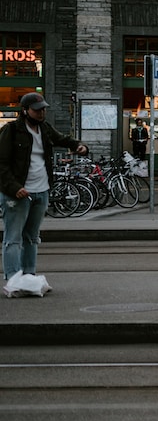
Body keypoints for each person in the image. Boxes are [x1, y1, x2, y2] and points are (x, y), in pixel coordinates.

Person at [1, 93, 88, 293]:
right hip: (18, 193)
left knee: (32, 237)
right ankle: (14, 279)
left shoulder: (44, 129)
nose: (42, 113)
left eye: (43, 109)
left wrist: (79, 146)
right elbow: (2, 164)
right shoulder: (12, 131)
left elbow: (63, 139)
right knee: (13, 238)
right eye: (37, 109)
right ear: (25, 111)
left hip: (41, 191)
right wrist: (15, 188)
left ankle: (29, 278)